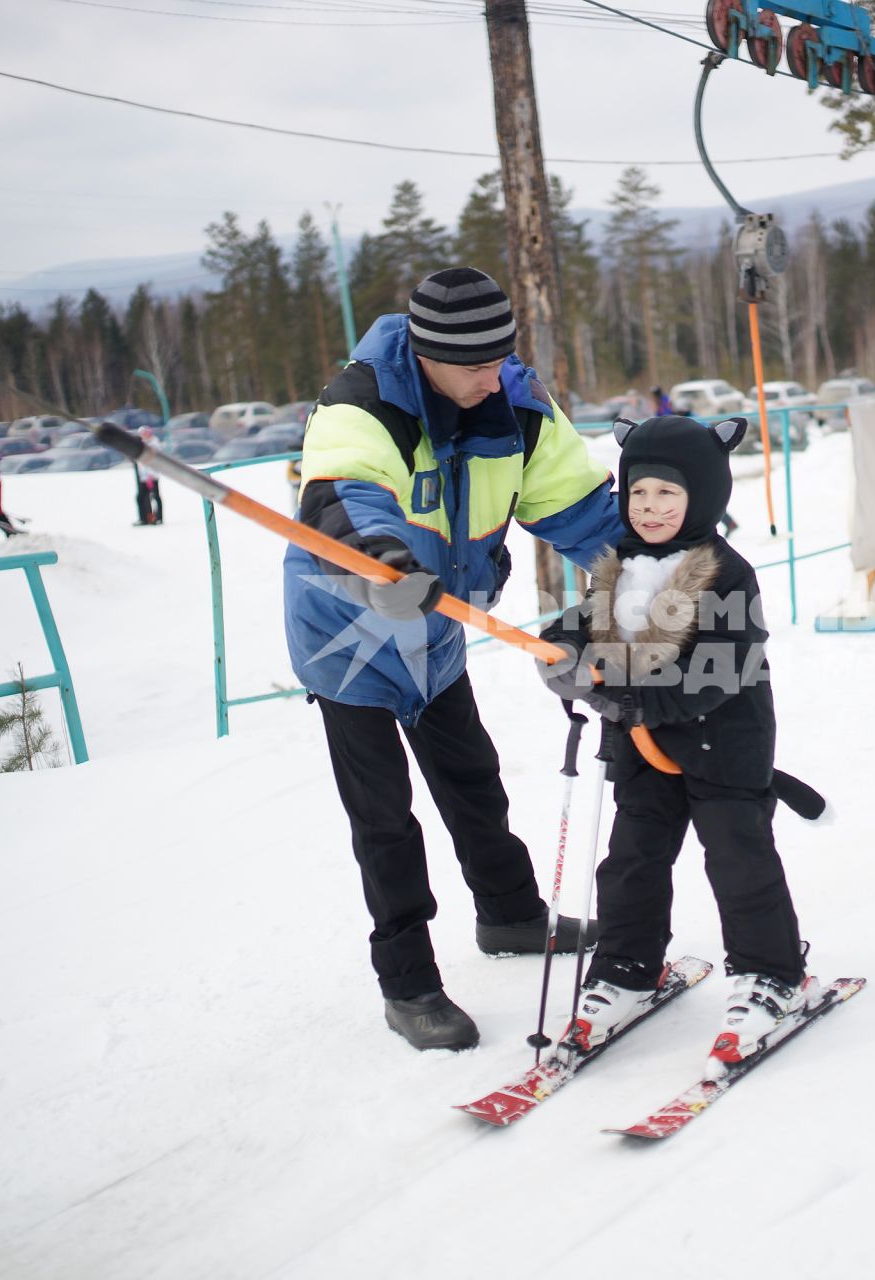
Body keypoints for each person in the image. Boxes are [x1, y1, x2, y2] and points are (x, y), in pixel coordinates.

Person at [284, 267, 625, 1052]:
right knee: (386, 821)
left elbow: (576, 507)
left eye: (497, 359)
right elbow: (343, 500)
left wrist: (656, 563)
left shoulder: (516, 404)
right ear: (427, 353)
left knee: (473, 778)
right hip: (352, 627)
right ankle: (409, 985)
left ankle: (510, 916)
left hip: (437, 625)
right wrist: (383, 560)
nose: (487, 376)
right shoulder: (362, 402)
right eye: (470, 365)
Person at [536, 414, 823, 1074]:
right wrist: (565, 651)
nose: (651, 507)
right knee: (631, 859)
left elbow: (722, 667)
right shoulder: (619, 568)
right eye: (638, 493)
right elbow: (586, 625)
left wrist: (636, 699)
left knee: (736, 856)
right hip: (642, 747)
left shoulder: (726, 573)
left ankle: (771, 974)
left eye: (668, 494)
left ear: (704, 494)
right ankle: (627, 967)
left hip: (724, 741)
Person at [135, 428, 165, 525]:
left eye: (143, 434)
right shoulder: (144, 444)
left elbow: (152, 462)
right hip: (144, 477)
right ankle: (146, 518)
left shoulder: (153, 444)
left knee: (155, 497)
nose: (142, 436)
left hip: (151, 476)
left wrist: (150, 476)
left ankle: (158, 518)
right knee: (141, 498)